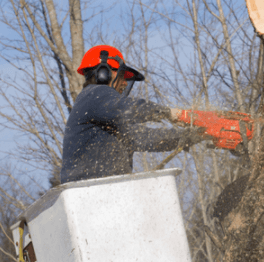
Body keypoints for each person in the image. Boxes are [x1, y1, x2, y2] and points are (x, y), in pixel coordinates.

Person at [60, 45, 201, 184]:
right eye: (122, 76)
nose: (125, 83)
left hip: (104, 193)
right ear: (104, 73)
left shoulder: (107, 119)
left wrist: (194, 135)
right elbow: (127, 109)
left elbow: (148, 137)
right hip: (90, 194)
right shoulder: (95, 94)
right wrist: (169, 113)